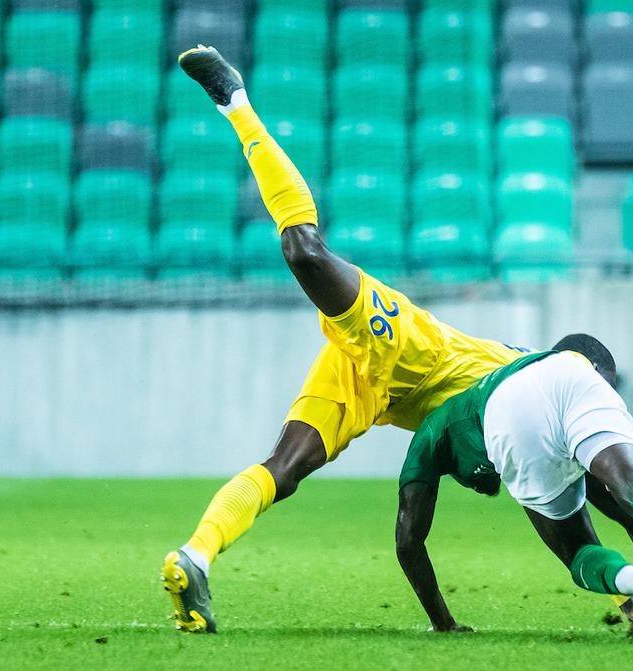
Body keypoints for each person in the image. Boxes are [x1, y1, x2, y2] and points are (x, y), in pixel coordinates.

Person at [159, 46, 572, 634]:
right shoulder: (536, 379)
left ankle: (194, 557)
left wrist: (622, 597)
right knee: (304, 251)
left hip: (381, 392)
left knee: (286, 468)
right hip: (410, 349)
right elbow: (554, 509)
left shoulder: (521, 423)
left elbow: (529, 510)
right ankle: (237, 104)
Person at [394, 339, 633, 640]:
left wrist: (443, 623)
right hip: (576, 379)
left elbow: (408, 542)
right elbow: (623, 512)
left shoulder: (433, 434)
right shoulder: (571, 371)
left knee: (578, 552)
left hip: (509, 409)